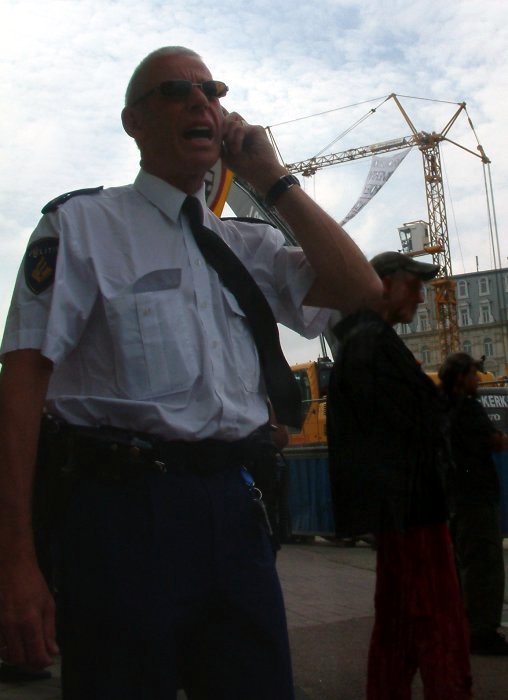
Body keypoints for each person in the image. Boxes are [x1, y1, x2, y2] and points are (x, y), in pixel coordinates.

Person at [0, 46, 382, 700]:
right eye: (176, 90)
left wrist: (273, 178)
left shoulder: (249, 247)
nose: (201, 100)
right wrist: (15, 563)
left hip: (237, 510)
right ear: (134, 123)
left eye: (212, 89)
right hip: (122, 515)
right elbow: (21, 384)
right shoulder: (83, 226)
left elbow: (362, 289)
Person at [327, 251, 472, 700]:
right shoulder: (375, 346)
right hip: (415, 512)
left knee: (396, 627)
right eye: (414, 284)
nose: (422, 296)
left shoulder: (359, 343)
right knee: (439, 622)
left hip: (397, 514)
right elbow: (412, 426)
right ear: (383, 283)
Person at [439, 352, 508, 654]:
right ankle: (482, 634)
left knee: (464, 565)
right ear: (460, 378)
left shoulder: (443, 409)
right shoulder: (469, 409)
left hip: (456, 498)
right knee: (485, 566)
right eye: (472, 374)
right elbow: (494, 442)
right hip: (477, 499)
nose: (477, 378)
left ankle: (465, 627)